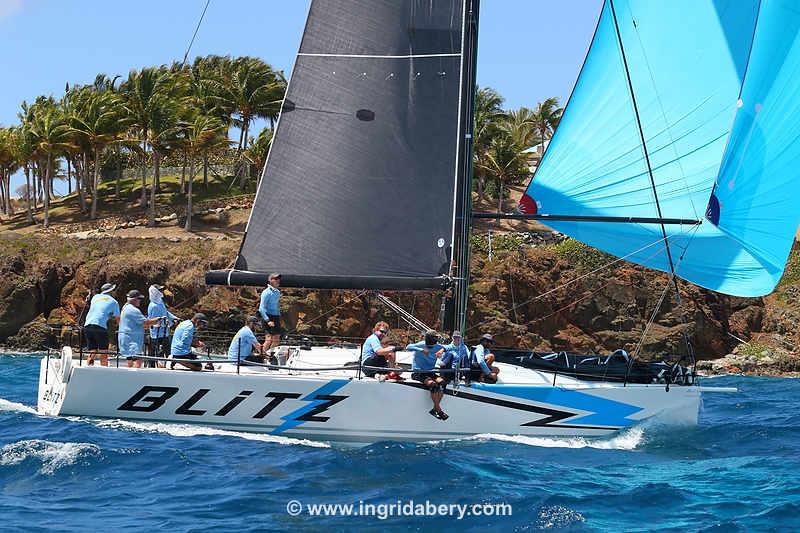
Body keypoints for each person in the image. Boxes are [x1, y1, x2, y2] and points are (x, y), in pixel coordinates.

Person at [406, 330, 448, 420]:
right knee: (433, 385)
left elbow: (450, 347)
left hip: (429, 371)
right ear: (430, 338)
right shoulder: (422, 344)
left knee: (443, 383)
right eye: (435, 337)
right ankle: (438, 410)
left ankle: (434, 409)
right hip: (418, 372)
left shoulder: (438, 347)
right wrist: (421, 350)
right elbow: (408, 346)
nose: (437, 339)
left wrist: (442, 350)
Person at [118, 290, 164, 368]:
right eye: (139, 298)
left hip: (126, 339)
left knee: (130, 360)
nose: (140, 301)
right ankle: (135, 379)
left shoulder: (125, 307)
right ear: (134, 299)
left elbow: (141, 324)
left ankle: (129, 378)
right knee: (138, 361)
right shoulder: (133, 310)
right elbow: (146, 322)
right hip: (132, 341)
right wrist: (159, 319)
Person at [83, 282, 120, 366]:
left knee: (92, 351)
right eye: (113, 290)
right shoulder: (114, 302)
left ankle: (89, 367)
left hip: (87, 325)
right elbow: (118, 320)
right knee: (104, 354)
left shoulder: (95, 297)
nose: (115, 292)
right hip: (99, 327)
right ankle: (105, 374)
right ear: (111, 291)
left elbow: (100, 309)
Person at [147, 284, 178, 366]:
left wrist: (174, 318)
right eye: (159, 290)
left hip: (165, 333)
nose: (161, 292)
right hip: (156, 335)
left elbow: (166, 313)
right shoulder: (153, 306)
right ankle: (152, 367)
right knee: (154, 354)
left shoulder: (160, 301)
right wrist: (170, 323)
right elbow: (155, 321)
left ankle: (170, 366)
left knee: (168, 352)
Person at [259, 273, 282, 352]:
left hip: (276, 317)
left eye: (278, 279)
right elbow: (261, 308)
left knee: (276, 340)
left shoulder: (277, 292)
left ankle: (269, 355)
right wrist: (268, 320)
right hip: (268, 317)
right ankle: (261, 356)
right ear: (270, 280)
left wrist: (278, 316)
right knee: (268, 339)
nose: (278, 281)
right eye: (275, 279)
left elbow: (276, 306)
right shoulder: (266, 292)